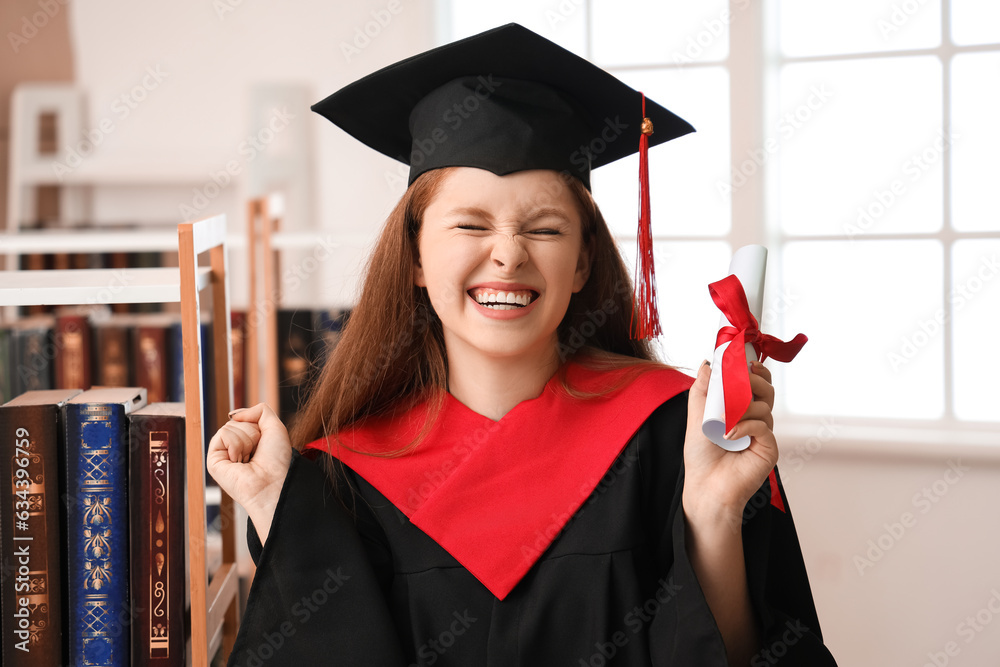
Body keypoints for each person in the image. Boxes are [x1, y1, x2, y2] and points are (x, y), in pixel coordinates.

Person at [208, 24, 838, 667]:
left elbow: (741, 654)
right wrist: (278, 509)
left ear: (584, 263)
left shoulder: (673, 433)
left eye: (544, 228)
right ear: (417, 257)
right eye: (470, 224)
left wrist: (712, 512)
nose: (507, 254)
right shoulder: (348, 478)